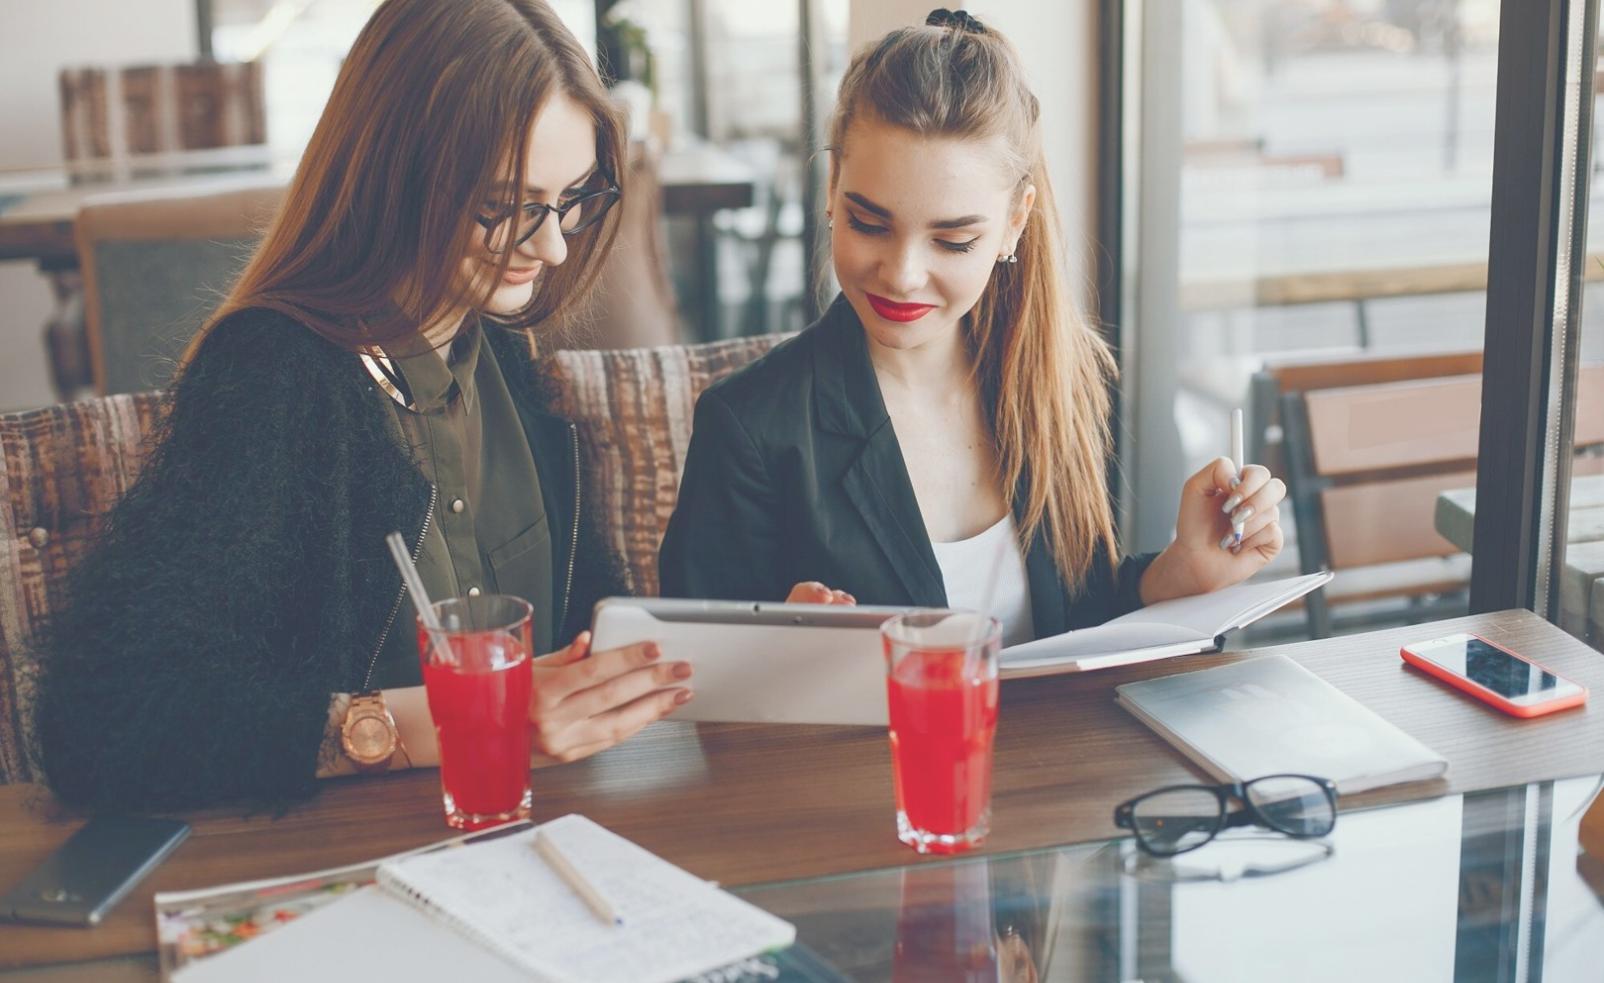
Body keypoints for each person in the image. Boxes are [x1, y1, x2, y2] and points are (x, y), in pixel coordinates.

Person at [36, 0, 728, 812]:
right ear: (398, 178)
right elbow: (101, 722)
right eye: (506, 206)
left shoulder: (499, 348)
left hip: (541, 834)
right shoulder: (274, 377)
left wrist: (745, 648)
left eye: (572, 196)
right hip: (351, 867)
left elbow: (583, 632)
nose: (552, 247)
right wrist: (446, 722)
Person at [660, 9, 1287, 646]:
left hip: (1053, 748)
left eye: (954, 240)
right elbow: (696, 690)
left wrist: (1182, 570)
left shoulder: (1057, 384)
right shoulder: (749, 429)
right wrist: (778, 655)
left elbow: (1073, 619)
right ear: (832, 191)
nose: (903, 275)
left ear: (1016, 222)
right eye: (869, 224)